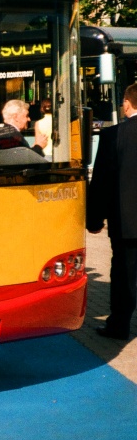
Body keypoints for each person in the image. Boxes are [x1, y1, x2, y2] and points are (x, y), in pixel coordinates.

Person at [86, 82, 137, 341]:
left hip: (126, 223)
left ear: (127, 104)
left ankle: (119, 325)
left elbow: (102, 183)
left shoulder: (112, 136)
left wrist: (94, 219)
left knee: (124, 276)